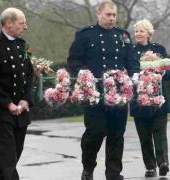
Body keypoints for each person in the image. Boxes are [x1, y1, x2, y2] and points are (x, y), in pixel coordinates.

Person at [67, 1, 140, 180]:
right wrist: (83, 74)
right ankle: (88, 167)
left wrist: (135, 75)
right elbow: (74, 60)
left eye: (114, 15)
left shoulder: (123, 35)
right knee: (96, 131)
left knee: (117, 134)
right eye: (108, 14)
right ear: (98, 13)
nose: (112, 18)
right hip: (95, 93)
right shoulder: (86, 35)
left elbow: (131, 60)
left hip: (119, 92)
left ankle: (114, 173)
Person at [0, 7, 34, 180]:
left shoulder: (22, 44)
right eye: (22, 23)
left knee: (12, 157)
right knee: (7, 159)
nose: (26, 27)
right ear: (9, 23)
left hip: (20, 113)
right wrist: (8, 103)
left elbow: (29, 74)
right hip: (0, 112)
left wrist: (25, 99)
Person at [130, 19, 170, 177]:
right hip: (139, 100)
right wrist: (137, 76)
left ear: (149, 33)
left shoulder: (159, 49)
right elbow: (129, 69)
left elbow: (168, 71)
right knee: (144, 135)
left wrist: (161, 73)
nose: (138, 34)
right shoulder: (130, 51)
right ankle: (150, 166)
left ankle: (163, 163)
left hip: (158, 98)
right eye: (136, 31)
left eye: (141, 31)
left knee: (160, 132)